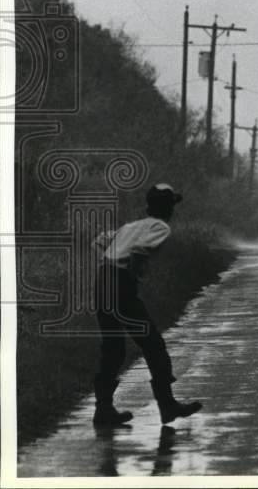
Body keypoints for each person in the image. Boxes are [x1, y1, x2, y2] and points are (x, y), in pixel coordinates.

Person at [91, 183, 202, 427]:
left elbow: (99, 241)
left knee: (113, 348)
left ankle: (103, 410)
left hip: (102, 282)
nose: (173, 210)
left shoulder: (131, 226)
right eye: (172, 204)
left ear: (148, 205)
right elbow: (140, 251)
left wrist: (113, 264)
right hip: (119, 284)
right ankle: (168, 404)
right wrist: (132, 279)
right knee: (153, 344)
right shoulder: (160, 226)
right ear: (168, 207)